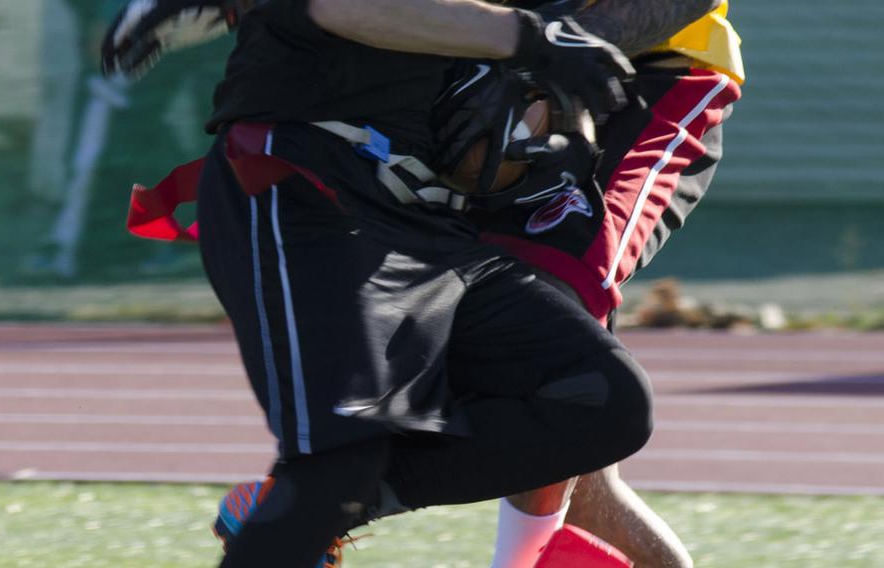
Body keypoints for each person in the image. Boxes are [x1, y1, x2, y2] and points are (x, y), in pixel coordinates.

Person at [101, 1, 654, 566]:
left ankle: (313, 507)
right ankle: (315, 502)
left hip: (420, 215)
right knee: (341, 459)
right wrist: (534, 40)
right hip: (304, 184)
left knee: (602, 398)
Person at [473, 1, 745, 566]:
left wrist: (549, 42)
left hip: (655, 69)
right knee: (584, 482)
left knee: (551, 302)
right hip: (505, 75)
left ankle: (326, 496)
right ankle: (322, 487)